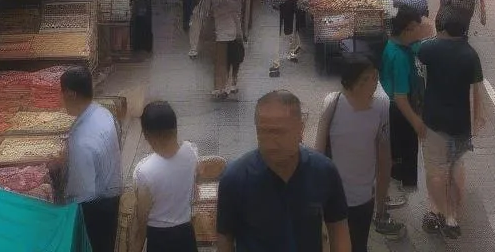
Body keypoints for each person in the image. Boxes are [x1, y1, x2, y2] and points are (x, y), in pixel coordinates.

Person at [216, 90, 351, 252]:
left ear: (300, 129)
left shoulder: (324, 171)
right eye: (263, 132)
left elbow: (338, 228)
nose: (270, 143)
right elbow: (225, 238)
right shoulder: (235, 178)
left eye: (279, 133)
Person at [315, 55, 407, 250]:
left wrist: (381, 203)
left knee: (358, 245)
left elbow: (384, 157)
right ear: (354, 83)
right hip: (335, 195)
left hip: (364, 196)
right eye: (369, 78)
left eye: (375, 76)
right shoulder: (333, 102)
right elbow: (318, 153)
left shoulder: (381, 106)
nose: (375, 82)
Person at [417, 6, 487, 239]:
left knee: (435, 170)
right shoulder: (470, 54)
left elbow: (413, 55)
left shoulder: (428, 49)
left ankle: (438, 211)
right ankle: (453, 216)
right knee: (456, 166)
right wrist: (477, 118)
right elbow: (478, 90)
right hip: (460, 123)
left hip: (433, 120)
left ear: (442, 26)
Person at [61, 66, 122, 252]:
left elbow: (84, 193)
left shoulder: (82, 140)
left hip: (96, 206)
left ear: (71, 94)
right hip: (112, 193)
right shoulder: (103, 113)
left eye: (62, 93)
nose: (60, 99)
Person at [379, 5, 432, 205]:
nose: (421, 31)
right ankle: (389, 193)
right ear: (408, 28)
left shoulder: (398, 45)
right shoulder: (399, 56)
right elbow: (400, 98)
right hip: (398, 112)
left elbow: (421, 45)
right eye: (418, 28)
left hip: (396, 108)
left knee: (397, 152)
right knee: (397, 154)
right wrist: (416, 122)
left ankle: (395, 187)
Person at [132, 101, 199, 252]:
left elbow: (142, 218)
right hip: (186, 234)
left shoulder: (144, 171)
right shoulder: (191, 152)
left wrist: (136, 246)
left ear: (147, 135)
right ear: (175, 128)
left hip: (159, 238)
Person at [193, 0, 246, 99]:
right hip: (235, 28)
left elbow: (205, 11)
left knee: (221, 60)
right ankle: (231, 82)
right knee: (235, 58)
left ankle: (221, 87)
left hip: (221, 30)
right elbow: (242, 5)